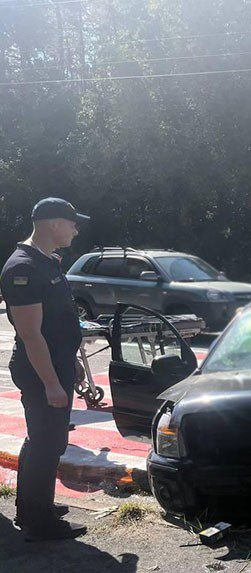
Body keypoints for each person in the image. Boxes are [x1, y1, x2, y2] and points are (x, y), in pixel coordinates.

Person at [0, 198, 90, 541]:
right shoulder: (23, 267)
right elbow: (31, 334)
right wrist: (52, 382)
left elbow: (59, 323)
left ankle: (37, 506)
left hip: (55, 365)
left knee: (47, 440)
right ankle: (38, 521)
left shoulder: (44, 261)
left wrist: (73, 365)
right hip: (40, 370)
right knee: (46, 442)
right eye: (72, 223)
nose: (75, 229)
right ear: (54, 223)